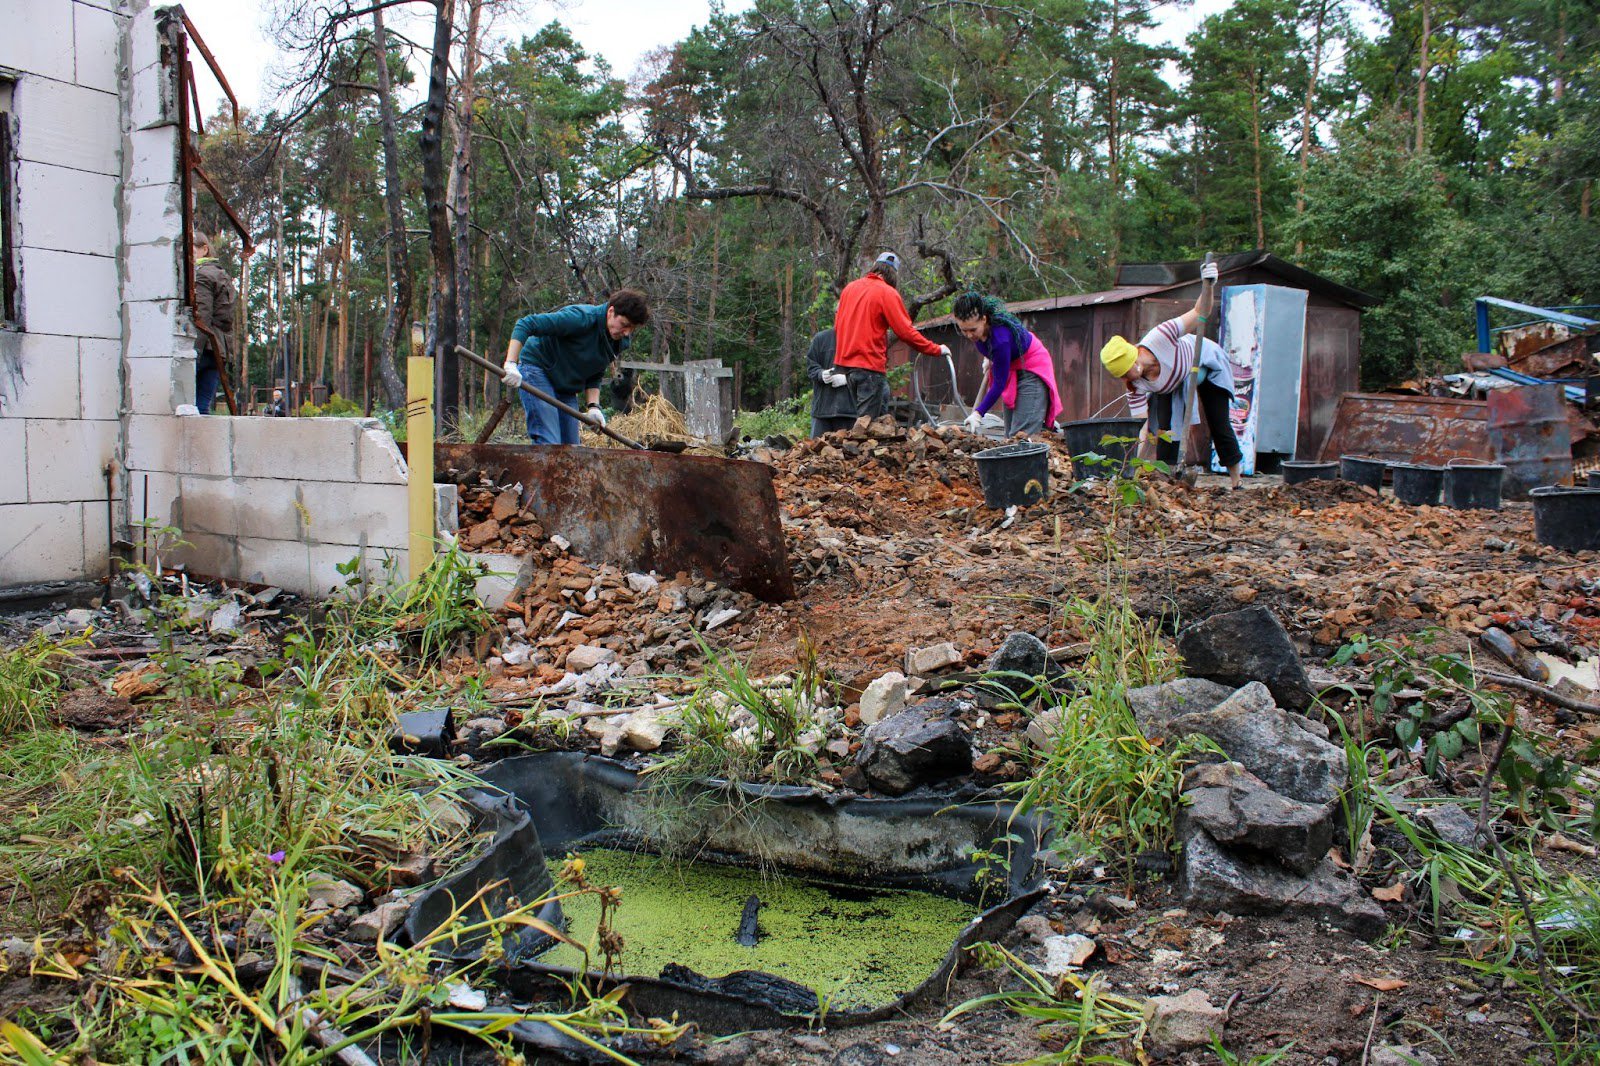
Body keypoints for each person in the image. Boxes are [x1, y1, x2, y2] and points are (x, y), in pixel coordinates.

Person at [1099, 259, 1243, 489]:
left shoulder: (1161, 336)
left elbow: (1199, 312)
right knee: (1164, 430)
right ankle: (1169, 479)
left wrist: (1208, 285)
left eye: (1128, 372)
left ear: (1133, 358)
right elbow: (1142, 430)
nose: (1129, 380)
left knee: (1218, 422)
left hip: (1202, 362)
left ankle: (1236, 480)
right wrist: (1132, 469)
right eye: (1123, 377)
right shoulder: (1135, 387)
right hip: (1171, 384)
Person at [500, 289, 650, 445]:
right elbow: (526, 324)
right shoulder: (581, 318)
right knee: (549, 441)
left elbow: (595, 372)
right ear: (611, 311)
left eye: (631, 329)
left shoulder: (618, 341)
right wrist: (511, 363)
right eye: (624, 325)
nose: (626, 333)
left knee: (572, 448)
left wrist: (594, 407)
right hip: (538, 369)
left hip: (566, 386)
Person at [831, 252, 950, 419]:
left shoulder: (849, 289)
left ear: (875, 267)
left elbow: (838, 327)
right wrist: (936, 349)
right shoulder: (887, 292)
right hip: (869, 368)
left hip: (848, 369)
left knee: (877, 414)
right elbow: (905, 332)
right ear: (893, 274)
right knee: (868, 426)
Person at [952, 291, 1063, 437]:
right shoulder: (983, 334)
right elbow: (994, 348)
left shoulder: (1000, 339)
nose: (969, 335)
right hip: (1012, 367)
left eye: (973, 330)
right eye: (964, 330)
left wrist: (979, 413)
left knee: (1022, 435)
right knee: (1010, 434)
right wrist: (990, 358)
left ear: (984, 319)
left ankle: (1041, 425)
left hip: (1031, 368)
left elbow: (999, 384)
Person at [192, 233, 236, 415]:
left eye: (192, 250)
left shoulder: (202, 275)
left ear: (205, 249)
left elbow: (202, 318)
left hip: (204, 348)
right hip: (218, 350)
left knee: (189, 408)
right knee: (202, 408)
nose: (189, 255)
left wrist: (193, 353)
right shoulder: (221, 275)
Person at [804, 327, 857, 436]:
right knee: (815, 451)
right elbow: (811, 365)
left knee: (849, 451)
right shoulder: (820, 339)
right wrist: (821, 374)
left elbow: (868, 372)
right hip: (822, 411)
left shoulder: (858, 339)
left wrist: (847, 379)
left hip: (849, 412)